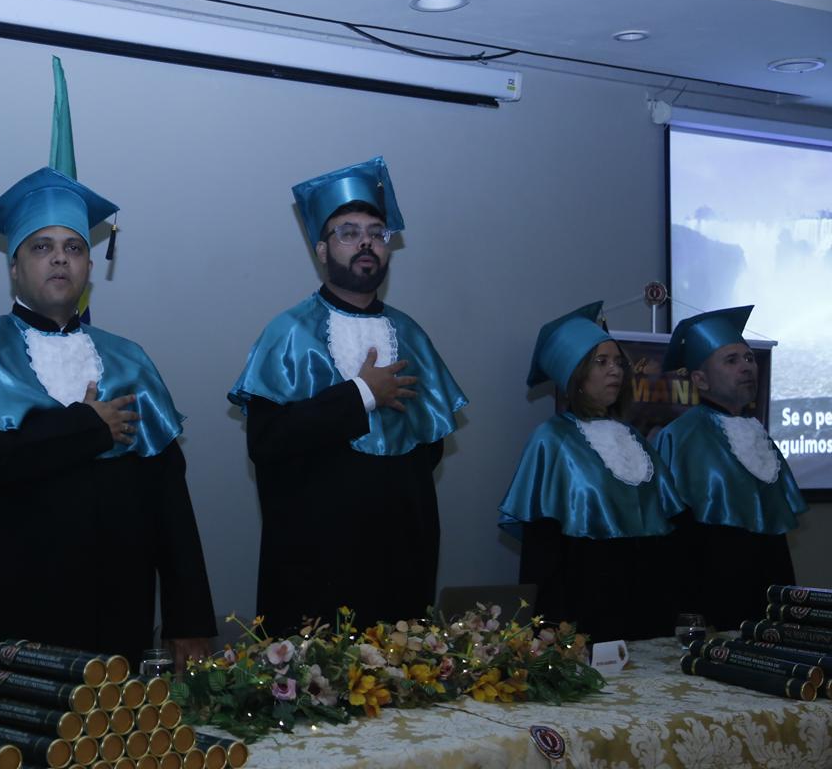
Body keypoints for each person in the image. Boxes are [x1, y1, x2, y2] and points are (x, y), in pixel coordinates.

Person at [0, 168, 215, 691]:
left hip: (117, 611)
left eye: (73, 248)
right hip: (12, 609)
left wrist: (189, 618)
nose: (59, 258)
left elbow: (170, 501)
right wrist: (87, 427)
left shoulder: (130, 360)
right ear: (14, 267)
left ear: (88, 267)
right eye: (41, 247)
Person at [228, 156, 467, 635]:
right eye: (349, 232)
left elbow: (429, 447)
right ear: (322, 249)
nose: (366, 243)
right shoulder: (289, 333)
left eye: (377, 233)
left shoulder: (411, 335)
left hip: (402, 561)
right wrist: (361, 395)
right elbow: (267, 442)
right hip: (314, 562)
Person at [497, 302, 686, 642]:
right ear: (576, 375)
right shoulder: (552, 439)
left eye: (618, 362)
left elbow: (666, 526)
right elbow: (542, 548)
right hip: (585, 610)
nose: (615, 370)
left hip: (647, 609)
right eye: (601, 362)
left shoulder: (634, 439)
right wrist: (550, 632)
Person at [653, 306, 806, 630]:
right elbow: (671, 537)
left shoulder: (759, 436)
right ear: (700, 379)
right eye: (731, 360)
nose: (746, 366)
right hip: (712, 602)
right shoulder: (679, 437)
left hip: (767, 602)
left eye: (749, 358)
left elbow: (774, 533)